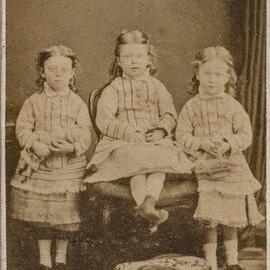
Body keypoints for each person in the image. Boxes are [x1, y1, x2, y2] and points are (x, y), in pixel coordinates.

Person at [84, 30, 193, 232]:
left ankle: (148, 203)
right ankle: (147, 208)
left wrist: (161, 130)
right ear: (118, 61)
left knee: (160, 160)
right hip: (124, 141)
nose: (134, 61)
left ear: (148, 60)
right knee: (135, 162)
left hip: (154, 140)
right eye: (127, 56)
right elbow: (104, 119)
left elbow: (170, 114)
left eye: (139, 56)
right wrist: (129, 134)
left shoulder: (157, 86)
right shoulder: (114, 88)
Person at [176, 46, 264, 270]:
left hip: (230, 164)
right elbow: (182, 135)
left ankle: (233, 261)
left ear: (228, 77)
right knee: (211, 217)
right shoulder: (191, 106)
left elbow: (245, 134)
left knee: (231, 216)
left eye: (218, 74)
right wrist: (201, 144)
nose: (212, 80)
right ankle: (211, 263)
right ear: (198, 74)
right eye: (207, 74)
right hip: (205, 164)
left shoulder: (233, 106)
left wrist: (227, 144)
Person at [10, 45, 92, 270]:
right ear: (42, 72)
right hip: (40, 168)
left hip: (68, 167)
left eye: (64, 70)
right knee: (43, 214)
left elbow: (86, 132)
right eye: (52, 69)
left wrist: (72, 147)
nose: (58, 74)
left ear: (72, 72)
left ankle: (61, 257)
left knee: (64, 215)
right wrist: (34, 143)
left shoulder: (77, 103)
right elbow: (22, 128)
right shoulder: (33, 102)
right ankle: (44, 258)